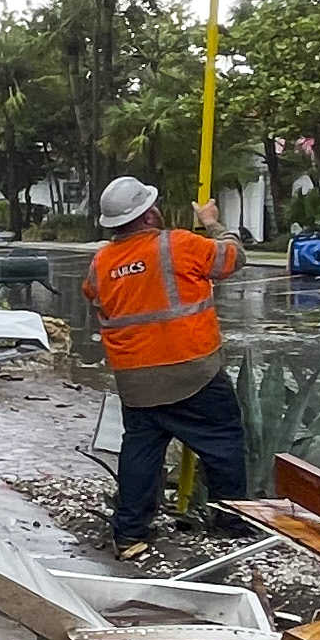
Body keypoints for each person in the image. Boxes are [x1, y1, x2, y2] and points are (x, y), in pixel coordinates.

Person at [84, 173, 245, 560]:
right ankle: (232, 526)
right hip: (192, 372)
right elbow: (232, 259)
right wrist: (213, 223)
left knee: (140, 452)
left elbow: (97, 298)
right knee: (224, 443)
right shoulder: (179, 245)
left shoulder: (100, 263)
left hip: (137, 381)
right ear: (148, 214)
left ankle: (130, 535)